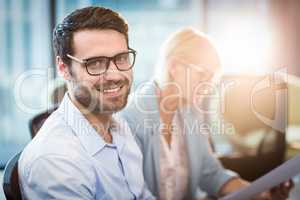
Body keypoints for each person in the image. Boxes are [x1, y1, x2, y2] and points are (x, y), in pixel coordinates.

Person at [121, 28, 293, 200]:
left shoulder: (191, 114)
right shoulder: (131, 118)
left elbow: (211, 174)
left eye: (213, 79)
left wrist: (262, 194)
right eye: (203, 74)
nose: (209, 86)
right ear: (174, 67)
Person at [18, 6, 154, 200]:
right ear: (64, 68)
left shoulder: (118, 125)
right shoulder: (56, 160)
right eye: (95, 63)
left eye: (121, 58)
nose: (115, 75)